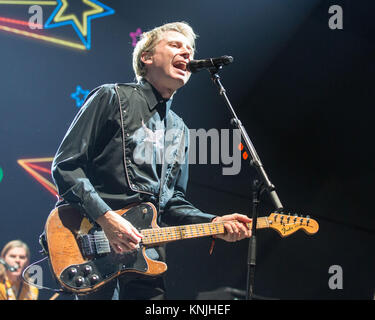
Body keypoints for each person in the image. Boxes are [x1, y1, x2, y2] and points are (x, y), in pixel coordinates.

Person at [51, 21, 251, 300]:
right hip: (92, 238)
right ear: (146, 57)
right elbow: (66, 165)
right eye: (175, 45)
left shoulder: (180, 129)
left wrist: (215, 223)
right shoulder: (111, 96)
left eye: (190, 49)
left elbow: (172, 202)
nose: (187, 54)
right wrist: (107, 219)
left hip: (147, 253)